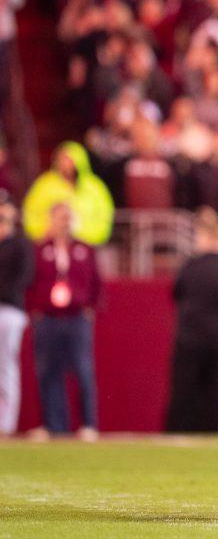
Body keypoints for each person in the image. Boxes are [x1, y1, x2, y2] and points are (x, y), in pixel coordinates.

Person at [27, 202, 102, 440]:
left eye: (67, 217)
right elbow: (30, 281)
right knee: (48, 372)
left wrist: (91, 307)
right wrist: (36, 309)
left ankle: (88, 424)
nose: (64, 222)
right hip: (48, 318)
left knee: (83, 370)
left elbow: (96, 282)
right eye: (59, 217)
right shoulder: (40, 250)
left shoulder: (84, 249)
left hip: (76, 317)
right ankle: (54, 425)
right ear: (51, 220)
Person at [165, 209, 218, 433]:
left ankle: (178, 431)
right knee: (214, 389)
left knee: (184, 388)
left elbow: (177, 293)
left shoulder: (192, 267)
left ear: (211, 238)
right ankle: (210, 431)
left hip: (190, 337)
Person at [22, 142, 115, 246]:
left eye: (69, 159)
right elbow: (31, 213)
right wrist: (43, 233)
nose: (65, 164)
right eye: (62, 159)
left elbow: (104, 216)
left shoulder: (94, 187)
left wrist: (85, 235)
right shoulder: (45, 185)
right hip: (51, 245)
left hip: (89, 246)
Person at [0, 201, 34, 435]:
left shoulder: (20, 245)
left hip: (9, 310)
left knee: (6, 367)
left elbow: (23, 278)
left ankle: (6, 423)